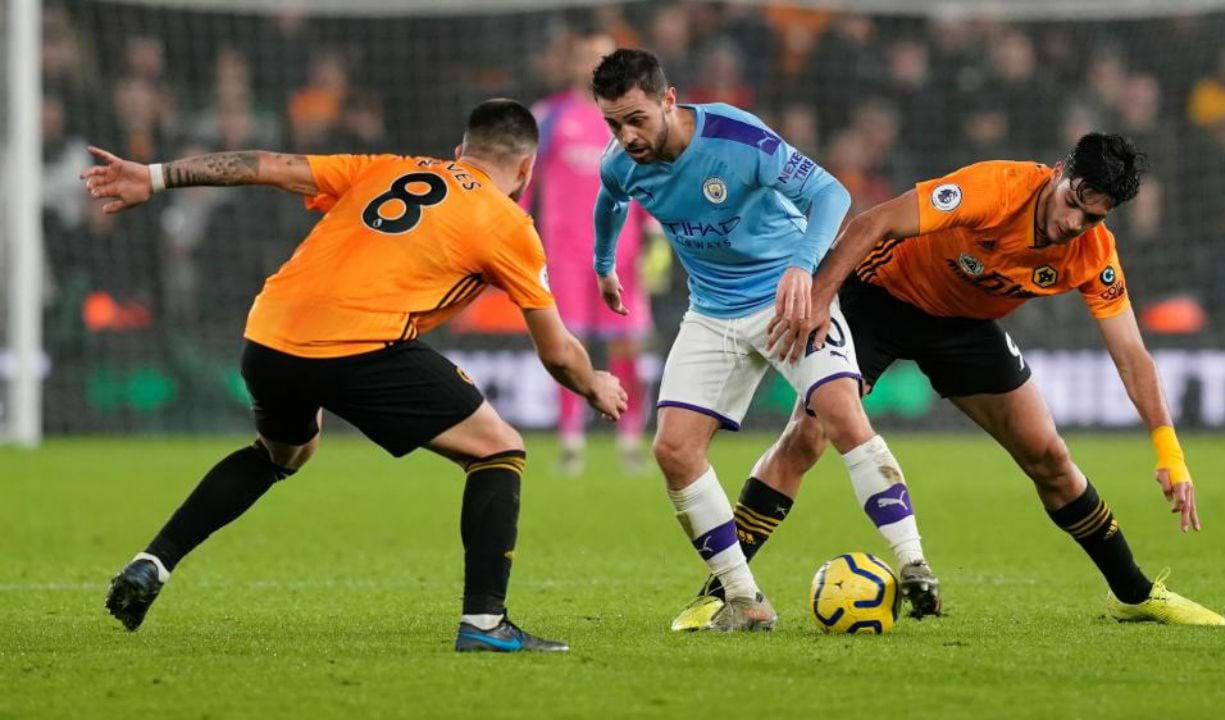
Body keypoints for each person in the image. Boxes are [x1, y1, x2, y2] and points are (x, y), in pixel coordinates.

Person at [83, 99, 629, 652]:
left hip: (269, 333)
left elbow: (265, 164)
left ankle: (154, 562)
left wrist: (153, 177)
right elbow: (557, 352)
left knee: (282, 453)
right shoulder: (508, 223)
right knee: (498, 449)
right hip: (357, 346)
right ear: (527, 170)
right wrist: (595, 384)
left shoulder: (386, 167)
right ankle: (486, 624)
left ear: (459, 152)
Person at [764, 133, 1225, 626]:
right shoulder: (994, 189)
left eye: (1092, 217)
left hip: (963, 326)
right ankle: (727, 591)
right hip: (879, 298)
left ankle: (1132, 595)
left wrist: (1169, 451)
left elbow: (1132, 355)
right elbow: (873, 222)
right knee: (808, 436)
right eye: (1072, 202)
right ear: (1057, 171)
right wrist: (818, 296)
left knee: (1049, 457)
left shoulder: (1093, 253)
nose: (1074, 223)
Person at [590, 49, 939, 633]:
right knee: (672, 450)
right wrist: (604, 264)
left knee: (841, 416)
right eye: (613, 124)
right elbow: (610, 201)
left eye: (635, 119)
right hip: (712, 313)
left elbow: (830, 194)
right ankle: (745, 598)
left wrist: (805, 267)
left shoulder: (735, 136)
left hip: (787, 300)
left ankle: (913, 563)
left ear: (668, 100)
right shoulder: (619, 162)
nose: (626, 136)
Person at [522, 32, 651, 476]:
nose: (592, 65)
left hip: (624, 251)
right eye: (584, 57)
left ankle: (631, 439)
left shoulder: (631, 119)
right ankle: (572, 441)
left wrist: (653, 233)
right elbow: (525, 182)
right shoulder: (549, 116)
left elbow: (652, 178)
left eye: (602, 58)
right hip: (565, 252)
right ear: (572, 63)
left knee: (628, 346)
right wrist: (515, 231)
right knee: (566, 343)